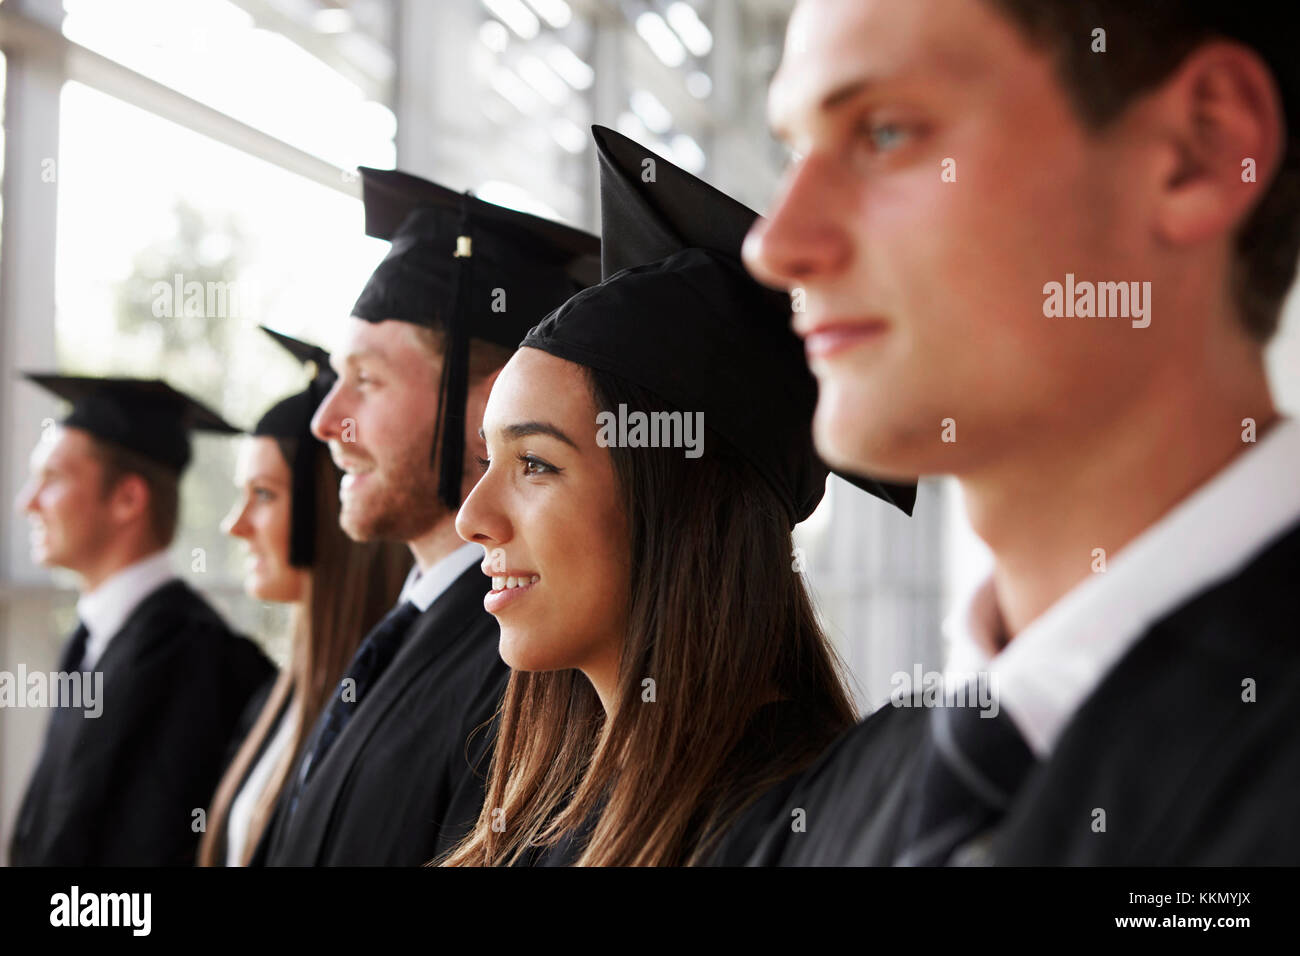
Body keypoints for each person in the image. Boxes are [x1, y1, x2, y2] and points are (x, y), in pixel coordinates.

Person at [738, 0, 1300, 864]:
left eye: (886, 133)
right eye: (792, 150)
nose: (775, 246)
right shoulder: (848, 797)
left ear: (1197, 154)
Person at [442, 126, 915, 867]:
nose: (471, 518)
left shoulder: (804, 835)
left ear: (686, 501)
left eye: (534, 464)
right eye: (485, 460)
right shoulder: (552, 809)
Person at [259, 168, 601, 865]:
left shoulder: (528, 668)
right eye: (334, 378)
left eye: (366, 380)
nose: (327, 422)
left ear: (490, 403)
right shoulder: (404, 629)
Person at [10, 375, 273, 866]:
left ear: (128, 499)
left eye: (52, 478)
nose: (27, 502)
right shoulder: (89, 640)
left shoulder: (203, 660)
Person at [198, 328, 410, 866]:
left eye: (264, 495)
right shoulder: (276, 696)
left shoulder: (381, 711)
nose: (235, 525)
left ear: (326, 510)